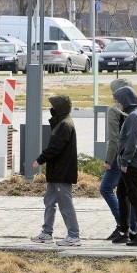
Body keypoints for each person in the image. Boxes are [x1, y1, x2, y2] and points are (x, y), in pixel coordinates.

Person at [30, 95, 81, 247]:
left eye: (53, 106)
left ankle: (74, 236)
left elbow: (56, 148)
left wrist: (40, 159)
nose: (50, 108)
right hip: (56, 172)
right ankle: (46, 233)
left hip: (62, 172)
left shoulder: (65, 125)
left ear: (59, 108)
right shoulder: (60, 123)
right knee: (49, 201)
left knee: (65, 204)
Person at [112, 85, 137, 246]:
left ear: (125, 100)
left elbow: (132, 141)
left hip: (132, 164)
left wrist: (125, 161)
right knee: (122, 194)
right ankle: (125, 231)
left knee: (136, 199)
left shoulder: (133, 117)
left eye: (119, 101)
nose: (117, 104)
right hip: (136, 162)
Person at [100, 78, 137, 241]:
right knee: (129, 194)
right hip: (133, 157)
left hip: (119, 158)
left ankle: (122, 224)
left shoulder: (114, 111)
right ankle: (133, 227)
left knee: (106, 188)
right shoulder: (136, 109)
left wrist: (108, 160)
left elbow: (114, 139)